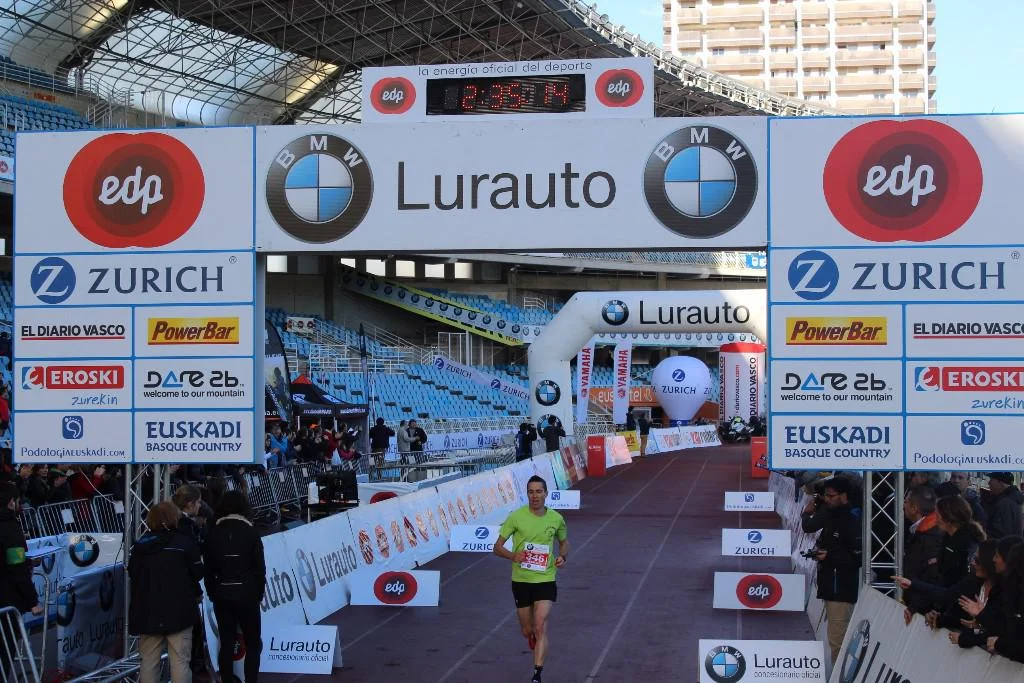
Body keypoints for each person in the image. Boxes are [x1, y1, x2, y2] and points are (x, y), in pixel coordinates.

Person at [493, 476, 568, 683]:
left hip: (545, 578)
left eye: (539, 491)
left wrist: (562, 556)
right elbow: (496, 547)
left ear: (546, 493)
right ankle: (531, 636)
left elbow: (564, 542)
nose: (535, 496)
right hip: (521, 580)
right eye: (531, 492)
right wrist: (512, 556)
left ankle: (537, 674)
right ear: (527, 494)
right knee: (528, 630)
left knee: (540, 625)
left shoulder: (556, 519)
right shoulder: (516, 517)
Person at [128, 501, 204, 683]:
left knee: (148, 662)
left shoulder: (140, 547)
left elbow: (133, 574)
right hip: (179, 611)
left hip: (148, 611)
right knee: (180, 661)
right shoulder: (184, 543)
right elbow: (198, 572)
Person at [204, 490, 266, 683]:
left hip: (223, 594)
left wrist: (213, 592)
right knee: (253, 643)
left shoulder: (213, 533)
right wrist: (258, 594)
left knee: (227, 642)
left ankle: (227, 680)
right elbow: (259, 569)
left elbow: (208, 569)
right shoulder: (251, 532)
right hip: (247, 594)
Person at [801, 476, 862, 664]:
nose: (826, 499)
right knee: (835, 639)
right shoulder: (831, 515)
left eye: (830, 495)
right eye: (825, 495)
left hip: (840, 589)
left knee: (838, 642)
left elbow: (857, 558)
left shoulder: (851, 521)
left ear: (843, 496)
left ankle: (839, 674)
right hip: (831, 585)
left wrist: (829, 556)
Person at [0, 483, 42, 616]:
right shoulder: (9, 528)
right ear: (11, 502)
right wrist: (33, 601)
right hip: (7, 598)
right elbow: (17, 566)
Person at [984, 472, 1023, 540]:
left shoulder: (1005, 503)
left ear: (1000, 482)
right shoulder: (1012, 498)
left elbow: (1000, 532)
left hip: (1003, 545)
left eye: (991, 480)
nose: (989, 483)